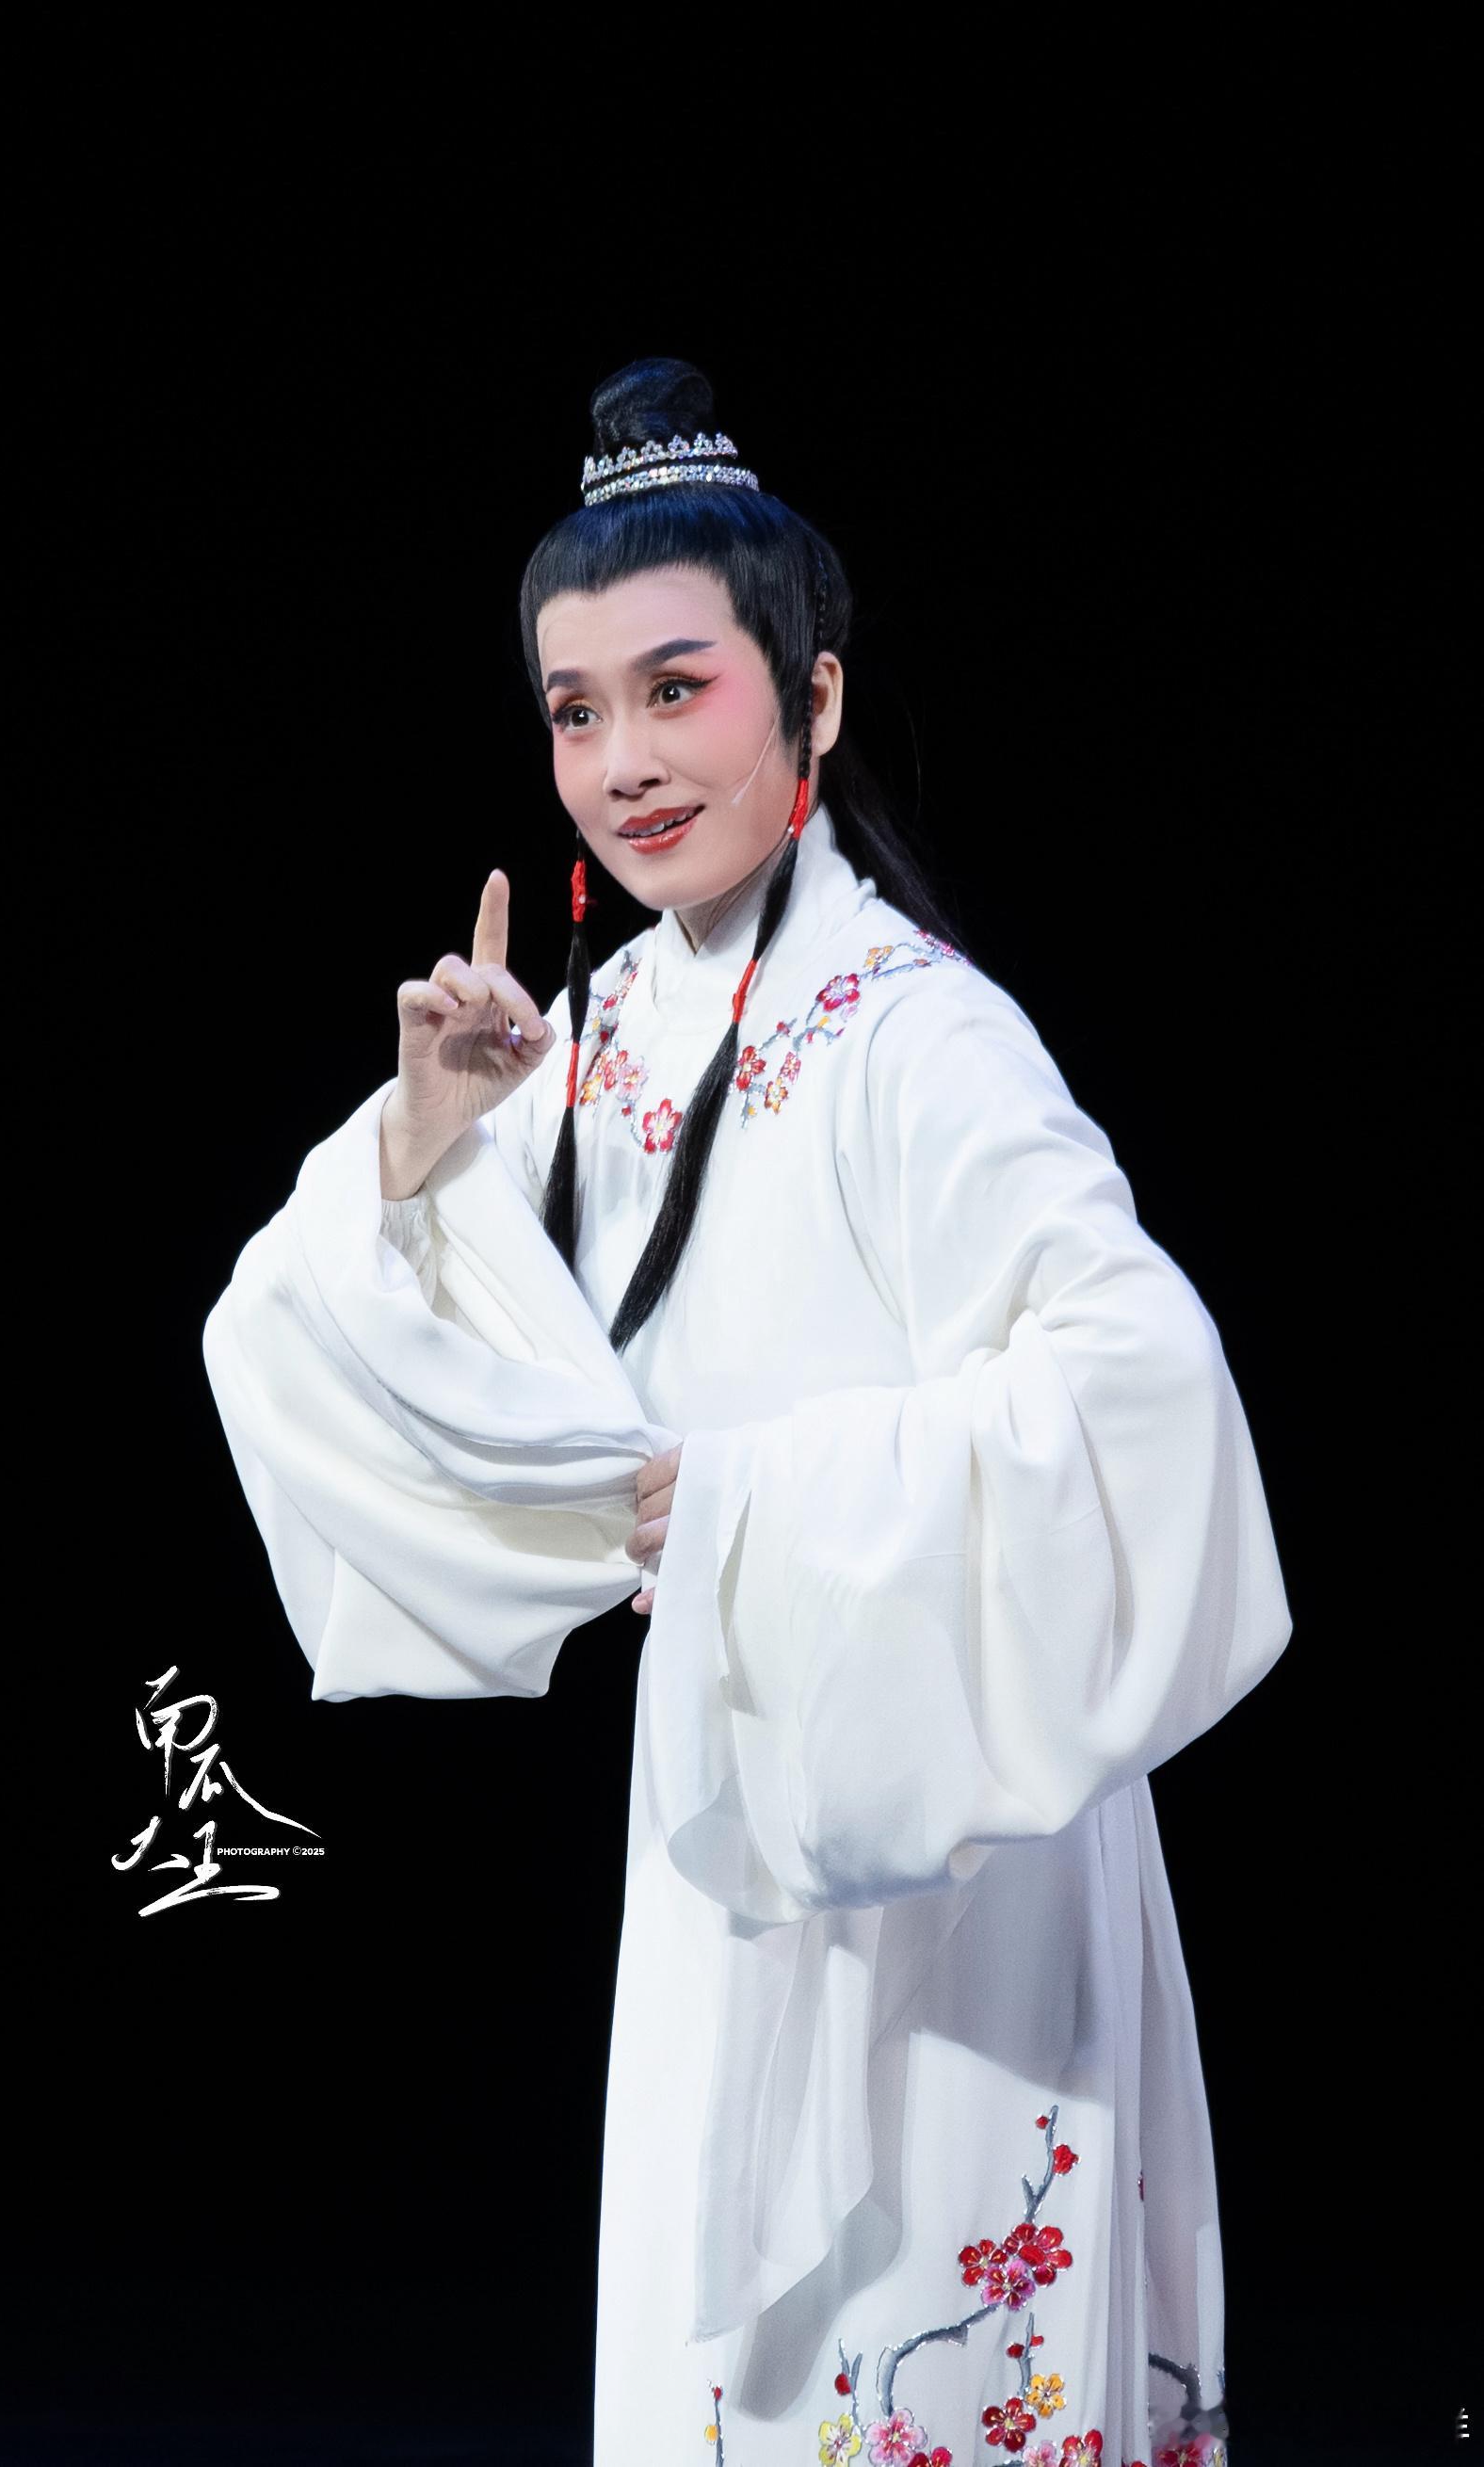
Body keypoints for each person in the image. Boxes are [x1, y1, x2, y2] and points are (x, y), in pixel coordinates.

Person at [202, 356, 1290, 2467]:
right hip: (732, 1822)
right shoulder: (605, 1024)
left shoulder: (915, 1034)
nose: (620, 762)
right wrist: (428, 1133)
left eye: (677, 689)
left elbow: (1145, 1386)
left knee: (933, 2354)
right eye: (574, 709)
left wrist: (750, 1502)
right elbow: (303, 1335)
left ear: (815, 700)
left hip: (956, 1839)